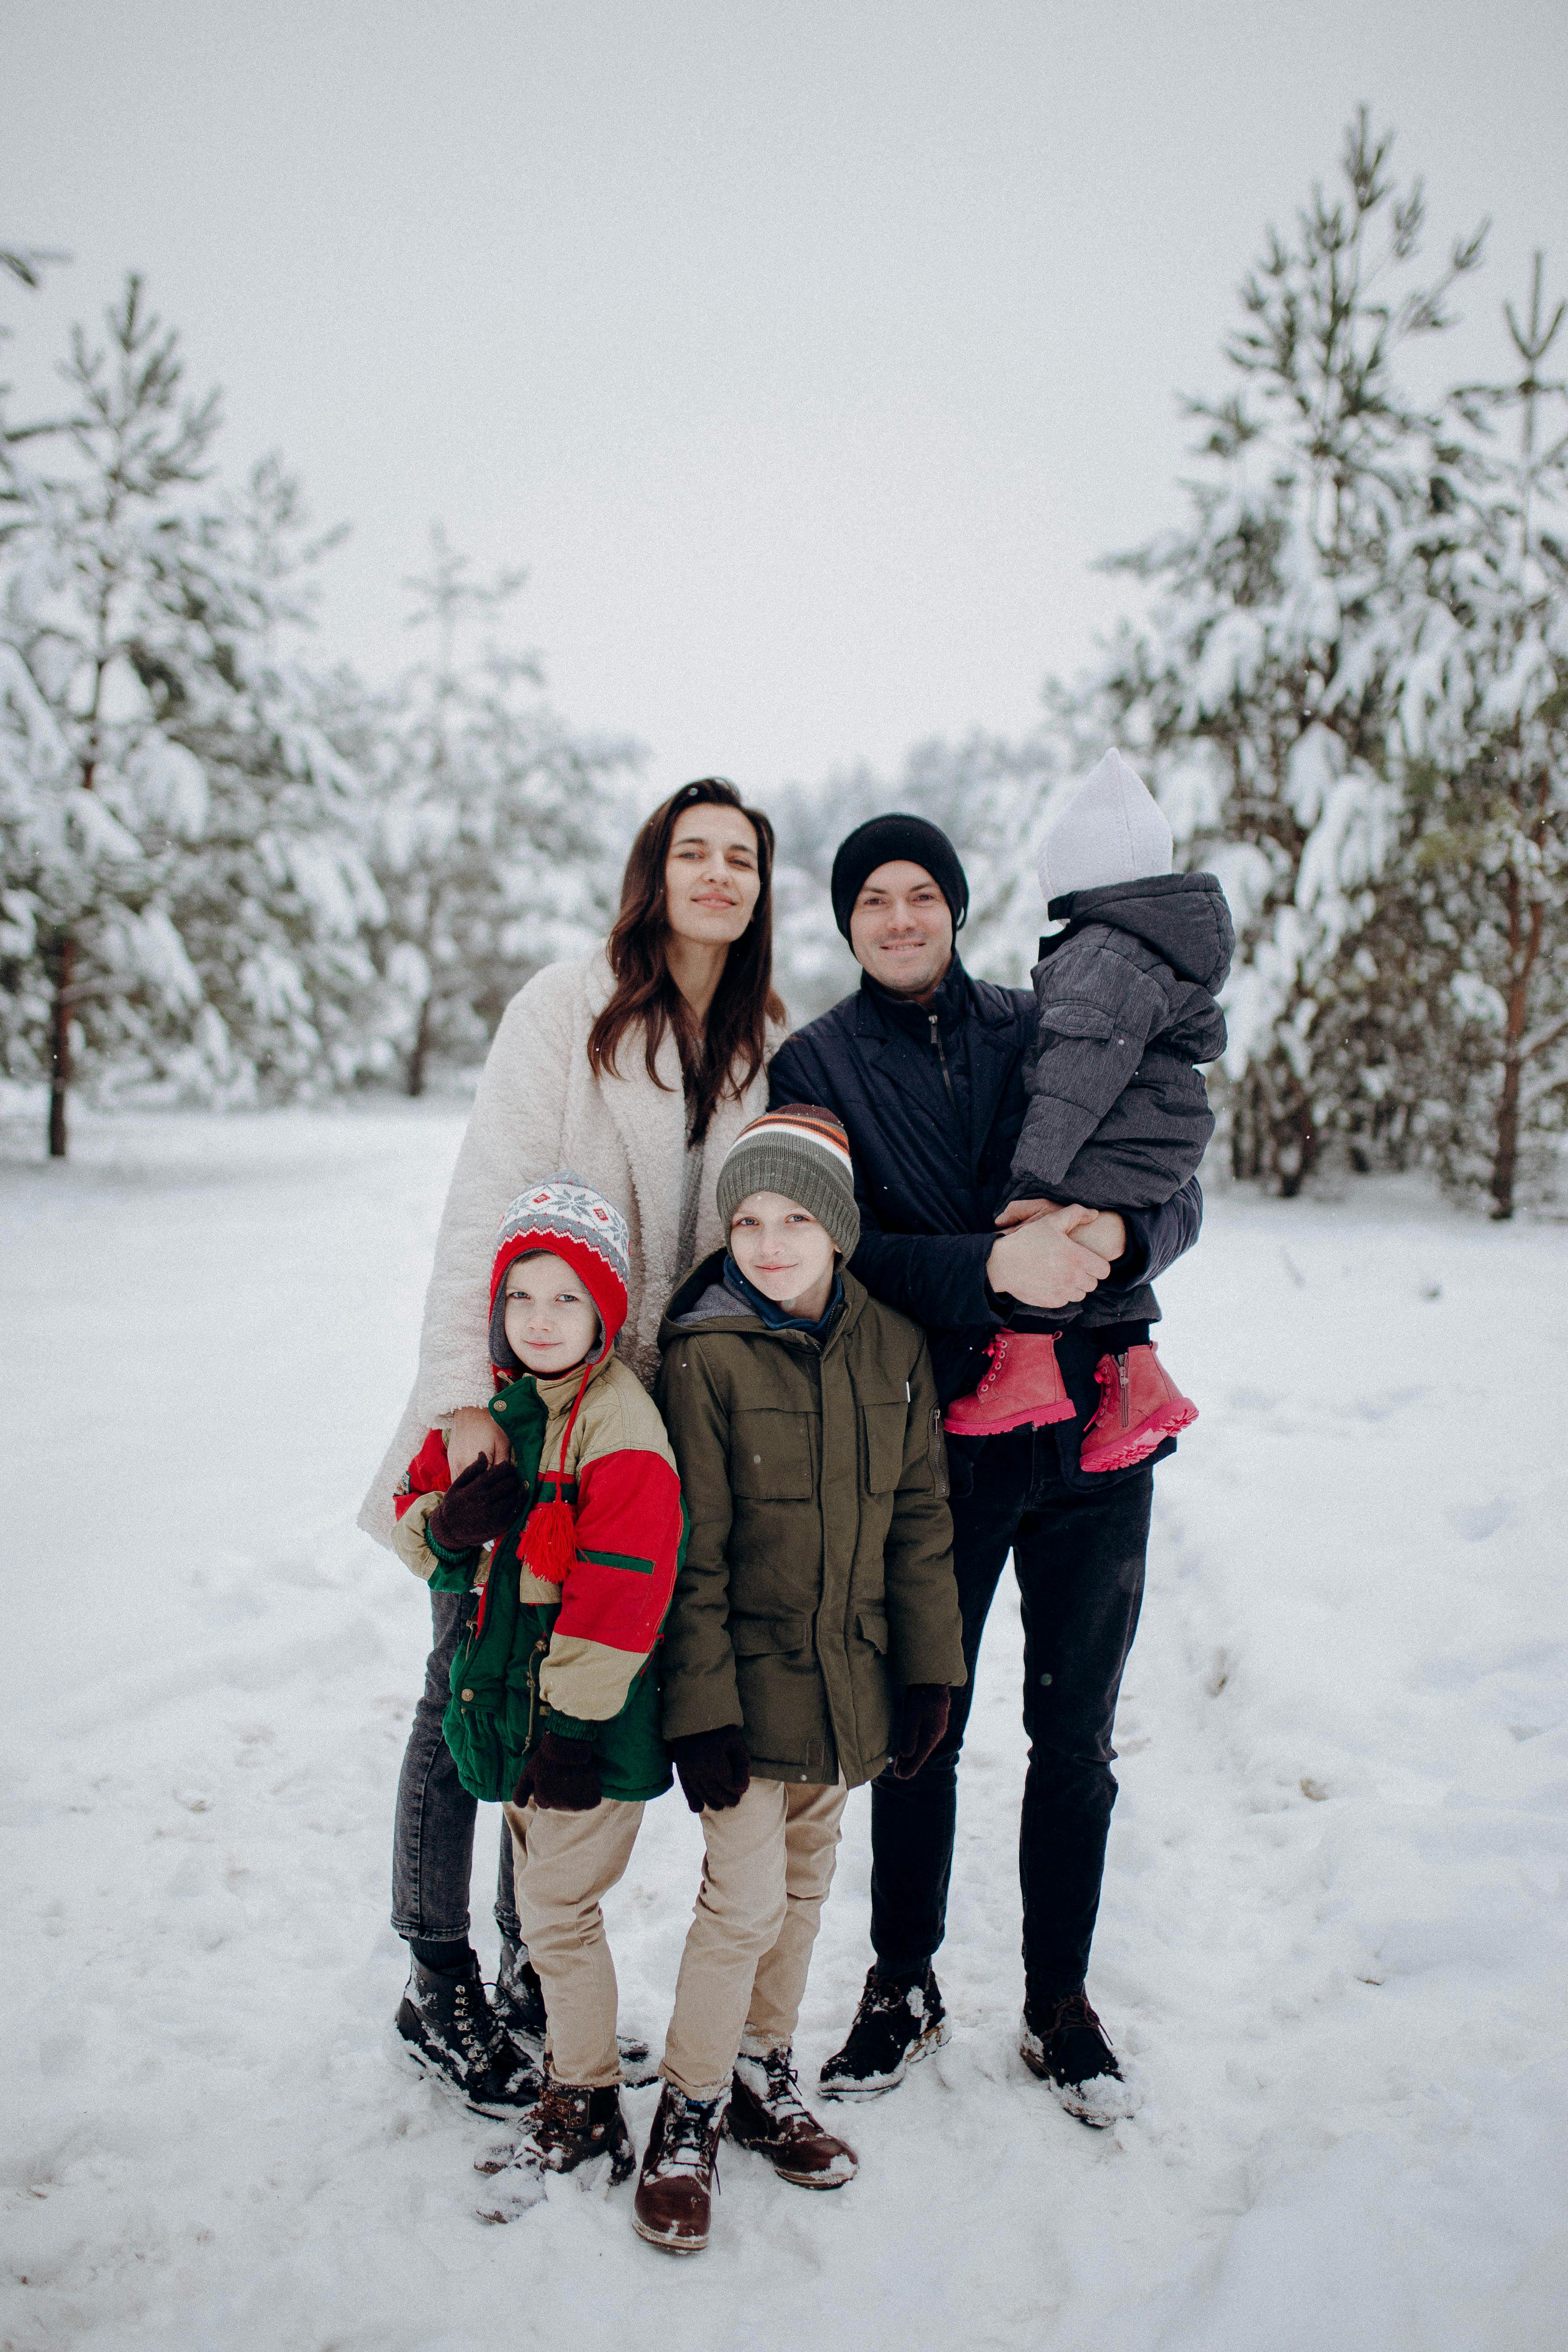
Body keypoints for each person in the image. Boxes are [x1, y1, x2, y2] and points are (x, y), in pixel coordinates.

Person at [766, 813, 1202, 2125]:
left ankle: (1058, 1999)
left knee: (1071, 1735)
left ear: (957, 908)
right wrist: (989, 1271)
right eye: (874, 901)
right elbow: (839, 1245)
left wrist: (1120, 1238)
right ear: (847, 923)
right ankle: (901, 1982)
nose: (900, 918)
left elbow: (1176, 1181)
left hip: (1090, 1443)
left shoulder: (1049, 1020)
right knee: (921, 1730)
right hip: (930, 1447)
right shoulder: (817, 1063)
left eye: (922, 895)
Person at [359, 777, 784, 2112]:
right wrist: (462, 1398)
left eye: (741, 859)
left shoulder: (756, 1038)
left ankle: (530, 1959)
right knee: (464, 1679)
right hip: (525, 1391)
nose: (716, 875)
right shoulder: (565, 1005)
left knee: (559, 1693)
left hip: (635, 1432)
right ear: (653, 872)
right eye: (693, 852)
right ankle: (437, 1980)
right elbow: (483, 1198)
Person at [630, 1107, 966, 2253]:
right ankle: (686, 2107)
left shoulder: (892, 1346)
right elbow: (693, 1553)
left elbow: (920, 1520)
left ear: (837, 1227)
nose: (767, 1244)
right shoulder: (706, 1353)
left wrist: (931, 1672)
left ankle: (762, 2073)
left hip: (850, 1685)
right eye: (744, 1222)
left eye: (792, 1220)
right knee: (743, 1902)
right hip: (746, 1696)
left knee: (809, 1886)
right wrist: (702, 1708)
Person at [388, 1179, 685, 2216]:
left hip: (583, 1737)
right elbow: (412, 1517)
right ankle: (576, 2052)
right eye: (522, 1299)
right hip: (515, 1721)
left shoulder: (621, 1429)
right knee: (547, 1901)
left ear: (605, 1314)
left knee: (556, 1913)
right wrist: (448, 1523)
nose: (542, 1319)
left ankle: (584, 2096)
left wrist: (569, 1729)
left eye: (566, 1299)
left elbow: (618, 1600)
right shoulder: (506, 1413)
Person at [942, 747, 1232, 1471]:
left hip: (1120, 1123)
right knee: (1089, 1233)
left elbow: (1073, 1077)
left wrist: (1035, 1177)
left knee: (1054, 1224)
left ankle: (1027, 1361)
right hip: (1161, 1129)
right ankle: (1135, 1377)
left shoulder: (1097, 956)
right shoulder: (1146, 948)